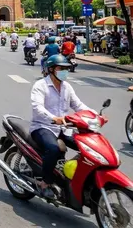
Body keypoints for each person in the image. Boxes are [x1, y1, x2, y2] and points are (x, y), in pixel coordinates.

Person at [30, 54, 94, 199]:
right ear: (51, 69)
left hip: (64, 128)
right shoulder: (40, 86)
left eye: (66, 68)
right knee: (53, 149)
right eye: (61, 68)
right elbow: (37, 107)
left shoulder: (67, 87)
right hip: (43, 127)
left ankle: (71, 177)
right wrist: (53, 118)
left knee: (87, 147)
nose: (65, 71)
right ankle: (45, 183)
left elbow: (78, 105)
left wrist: (95, 115)